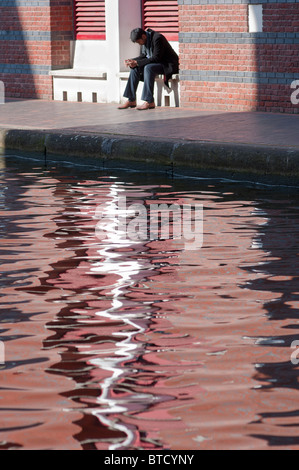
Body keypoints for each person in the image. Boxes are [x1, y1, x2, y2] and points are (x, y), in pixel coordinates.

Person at [118, 27, 179, 110]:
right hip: (156, 64)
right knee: (134, 68)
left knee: (148, 68)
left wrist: (137, 62)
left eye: (139, 41)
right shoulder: (145, 41)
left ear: (143, 36)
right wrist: (132, 61)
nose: (139, 44)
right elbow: (144, 56)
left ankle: (149, 101)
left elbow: (156, 58)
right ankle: (131, 100)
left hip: (167, 64)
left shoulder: (158, 38)